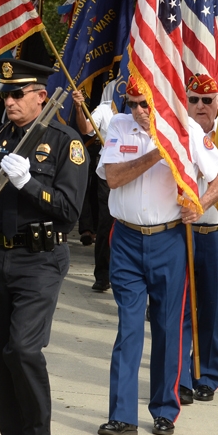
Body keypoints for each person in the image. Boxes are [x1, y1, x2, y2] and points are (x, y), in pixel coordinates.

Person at [95, 76, 218, 435]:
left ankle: (164, 409)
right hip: (125, 238)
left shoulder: (185, 128)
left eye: (146, 105)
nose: (139, 111)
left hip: (168, 239)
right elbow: (113, 177)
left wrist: (200, 206)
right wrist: (158, 150)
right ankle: (122, 415)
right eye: (134, 103)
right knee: (128, 327)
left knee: (169, 327)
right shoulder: (120, 126)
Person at [0, 59, 89, 435]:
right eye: (4, 95)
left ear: (42, 96)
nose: (8, 101)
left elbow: (68, 209)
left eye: (17, 94)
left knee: (22, 350)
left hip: (40, 259)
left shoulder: (64, 142)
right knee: (0, 357)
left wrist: (29, 185)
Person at [180, 75, 218, 404]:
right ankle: (183, 376)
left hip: (216, 232)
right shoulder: (178, 136)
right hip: (180, 231)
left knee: (212, 308)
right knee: (182, 306)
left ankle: (207, 375)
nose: (200, 106)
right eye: (193, 100)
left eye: (207, 100)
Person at [73, 81, 119, 292]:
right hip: (108, 174)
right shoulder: (105, 108)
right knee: (106, 223)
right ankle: (102, 275)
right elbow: (86, 129)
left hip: (138, 175)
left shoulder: (148, 108)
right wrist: (79, 108)